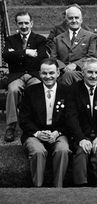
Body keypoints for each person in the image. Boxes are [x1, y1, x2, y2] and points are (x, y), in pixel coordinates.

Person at [19, 58, 71, 187]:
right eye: (44, 73)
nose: (48, 77)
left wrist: (57, 133)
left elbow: (70, 118)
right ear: (39, 73)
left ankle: (58, 188)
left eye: (51, 73)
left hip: (58, 133)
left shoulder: (67, 91)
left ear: (58, 73)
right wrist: (37, 133)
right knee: (38, 151)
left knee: (63, 150)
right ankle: (39, 189)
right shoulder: (30, 92)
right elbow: (24, 119)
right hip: (34, 134)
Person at [67, 58, 97, 187]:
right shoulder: (73, 90)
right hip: (81, 134)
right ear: (82, 73)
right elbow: (71, 117)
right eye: (90, 72)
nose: (94, 76)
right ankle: (81, 187)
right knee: (81, 151)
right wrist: (81, 138)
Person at [2, 11, 46, 142]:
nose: (24, 26)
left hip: (34, 75)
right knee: (13, 90)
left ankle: (38, 123)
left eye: (26, 22)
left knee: (38, 89)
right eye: (20, 23)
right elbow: (6, 57)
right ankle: (11, 126)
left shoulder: (40, 39)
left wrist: (16, 54)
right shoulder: (10, 39)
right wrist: (26, 52)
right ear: (16, 24)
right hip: (16, 76)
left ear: (31, 23)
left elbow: (41, 58)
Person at [50, 6, 97, 86]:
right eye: (70, 18)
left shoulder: (91, 37)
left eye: (76, 18)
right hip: (62, 72)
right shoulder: (57, 39)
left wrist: (75, 65)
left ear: (81, 20)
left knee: (68, 76)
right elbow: (53, 58)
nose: (74, 20)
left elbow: (91, 56)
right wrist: (64, 67)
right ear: (66, 21)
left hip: (82, 72)